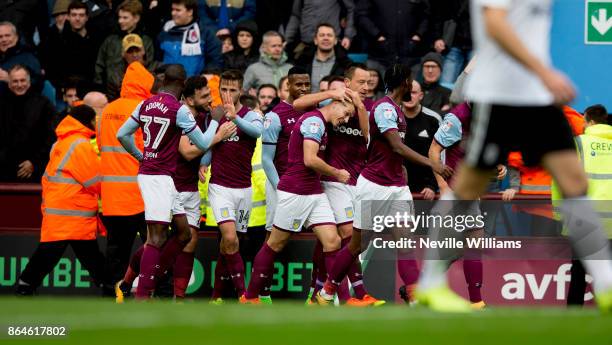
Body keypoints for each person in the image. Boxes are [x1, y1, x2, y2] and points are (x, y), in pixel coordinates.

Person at [416, 0, 612, 313]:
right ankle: (429, 283)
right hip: (499, 96)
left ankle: (605, 284)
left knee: (575, 180)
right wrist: (544, 72)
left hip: (536, 97)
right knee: (467, 189)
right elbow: (494, 22)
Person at [314, 63, 453, 305]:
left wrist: (402, 170)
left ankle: (414, 298)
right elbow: (396, 146)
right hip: (374, 185)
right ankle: (326, 291)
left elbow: (395, 154)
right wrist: (433, 164)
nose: (413, 85)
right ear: (405, 83)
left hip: (397, 187)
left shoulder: (397, 111)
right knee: (358, 244)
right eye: (411, 80)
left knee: (405, 241)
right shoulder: (383, 109)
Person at [115, 64, 223, 299]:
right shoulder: (179, 110)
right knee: (156, 237)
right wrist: (215, 121)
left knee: (184, 233)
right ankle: (142, 295)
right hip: (158, 178)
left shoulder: (144, 104)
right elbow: (203, 144)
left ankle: (139, 280)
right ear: (183, 85)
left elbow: (121, 134)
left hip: (161, 177)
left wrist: (141, 156)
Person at [242, 95, 357, 304]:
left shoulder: (319, 121)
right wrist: (336, 173)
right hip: (295, 191)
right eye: (346, 113)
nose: (346, 120)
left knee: (333, 242)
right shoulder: (314, 122)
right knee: (275, 244)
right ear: (335, 104)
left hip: (314, 191)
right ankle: (250, 296)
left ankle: (340, 299)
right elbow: (310, 159)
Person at [293, 63, 385, 306]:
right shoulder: (332, 106)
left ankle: (317, 291)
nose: (366, 87)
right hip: (332, 181)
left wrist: (360, 106)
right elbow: (297, 105)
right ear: (348, 83)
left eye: (369, 82)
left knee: (333, 242)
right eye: (361, 82)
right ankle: (357, 293)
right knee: (347, 235)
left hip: (358, 184)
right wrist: (330, 93)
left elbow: (367, 136)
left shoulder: (370, 109)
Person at [15, 105, 105, 295]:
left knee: (60, 252)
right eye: (93, 120)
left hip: (61, 209)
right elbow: (95, 181)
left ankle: (25, 284)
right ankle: (111, 286)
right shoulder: (80, 145)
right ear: (87, 122)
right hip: (73, 211)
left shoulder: (61, 143)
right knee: (83, 254)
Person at [202, 69, 263, 299]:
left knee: (230, 244)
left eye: (232, 90)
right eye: (224, 89)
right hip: (220, 187)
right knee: (229, 238)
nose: (227, 94)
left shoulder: (251, 114)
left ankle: (217, 296)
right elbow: (211, 142)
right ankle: (243, 294)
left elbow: (257, 132)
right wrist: (205, 161)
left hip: (244, 189)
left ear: (241, 91)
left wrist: (234, 118)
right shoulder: (214, 115)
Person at [96, 61, 153, 297]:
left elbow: (101, 145)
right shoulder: (144, 109)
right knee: (154, 245)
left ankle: (112, 292)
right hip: (139, 192)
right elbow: (148, 148)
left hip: (112, 194)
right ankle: (159, 290)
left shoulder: (108, 109)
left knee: (116, 250)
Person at [565, 104, 612, 306]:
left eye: (584, 120)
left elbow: (562, 181)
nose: (582, 125)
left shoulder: (578, 143)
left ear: (591, 122)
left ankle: (573, 317)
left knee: (579, 272)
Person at [0, 65, 55, 182]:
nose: (19, 85)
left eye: (22, 80)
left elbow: (50, 137)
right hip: (4, 171)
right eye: (15, 81)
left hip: (35, 171)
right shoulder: (2, 104)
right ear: (9, 83)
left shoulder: (44, 105)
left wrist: (34, 162)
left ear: (29, 82)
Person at [95, 0, 156, 99]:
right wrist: (99, 90)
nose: (120, 21)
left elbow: (149, 65)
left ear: (136, 18)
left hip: (137, 93)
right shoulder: (110, 40)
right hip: (111, 93)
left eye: (125, 17)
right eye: (119, 17)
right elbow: (99, 66)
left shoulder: (146, 41)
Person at [356, 0, 431, 72]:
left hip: (411, 55)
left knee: (411, 85)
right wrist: (377, 35)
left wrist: (418, 35)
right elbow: (362, 16)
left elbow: (427, 15)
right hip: (379, 55)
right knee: (377, 84)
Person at [157, 0, 222, 77]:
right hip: (168, 84)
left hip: (194, 85)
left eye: (178, 10)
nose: (173, 13)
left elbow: (214, 60)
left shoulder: (205, 33)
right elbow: (157, 59)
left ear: (190, 12)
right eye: (172, 9)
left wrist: (205, 77)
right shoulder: (165, 32)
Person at [401, 80, 442, 200]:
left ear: (421, 95)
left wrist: (433, 185)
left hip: (425, 190)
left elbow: (441, 155)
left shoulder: (433, 119)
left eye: (413, 92)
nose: (409, 96)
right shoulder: (391, 116)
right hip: (395, 186)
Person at [284, 0, 355, 57]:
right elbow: (296, 15)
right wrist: (287, 39)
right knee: (298, 69)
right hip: (306, 44)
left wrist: (348, 36)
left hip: (330, 45)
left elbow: (351, 9)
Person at [295, 23, 353, 92]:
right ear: (315, 40)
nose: (326, 38)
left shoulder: (346, 65)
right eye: (322, 35)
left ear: (335, 41)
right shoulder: (302, 62)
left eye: (329, 35)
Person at [430, 0, 472, 86]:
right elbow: (439, 14)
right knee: (445, 83)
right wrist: (438, 38)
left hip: (475, 46)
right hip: (453, 43)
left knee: (473, 85)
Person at [0, 21, 43, 93]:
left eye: (7, 35)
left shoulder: (28, 57)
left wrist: (10, 80)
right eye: (0, 37)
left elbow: (38, 85)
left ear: (16, 37)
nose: (4, 39)